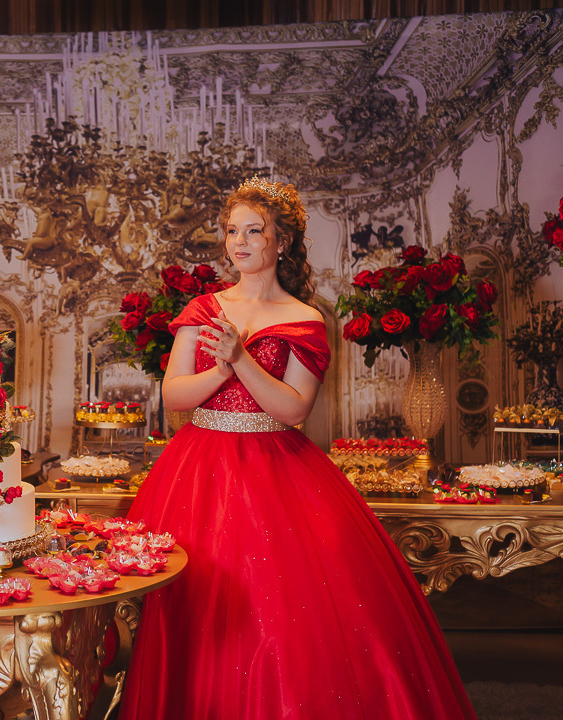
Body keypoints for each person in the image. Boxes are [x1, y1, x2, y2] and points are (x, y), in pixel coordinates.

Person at [120, 177, 476, 719]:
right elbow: (174, 397)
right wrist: (221, 366)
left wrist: (241, 359)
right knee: (194, 604)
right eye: (231, 231)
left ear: (281, 240)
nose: (238, 243)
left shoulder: (306, 318)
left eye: (253, 231)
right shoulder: (204, 307)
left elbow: (293, 410)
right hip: (199, 468)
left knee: (281, 612)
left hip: (274, 467)